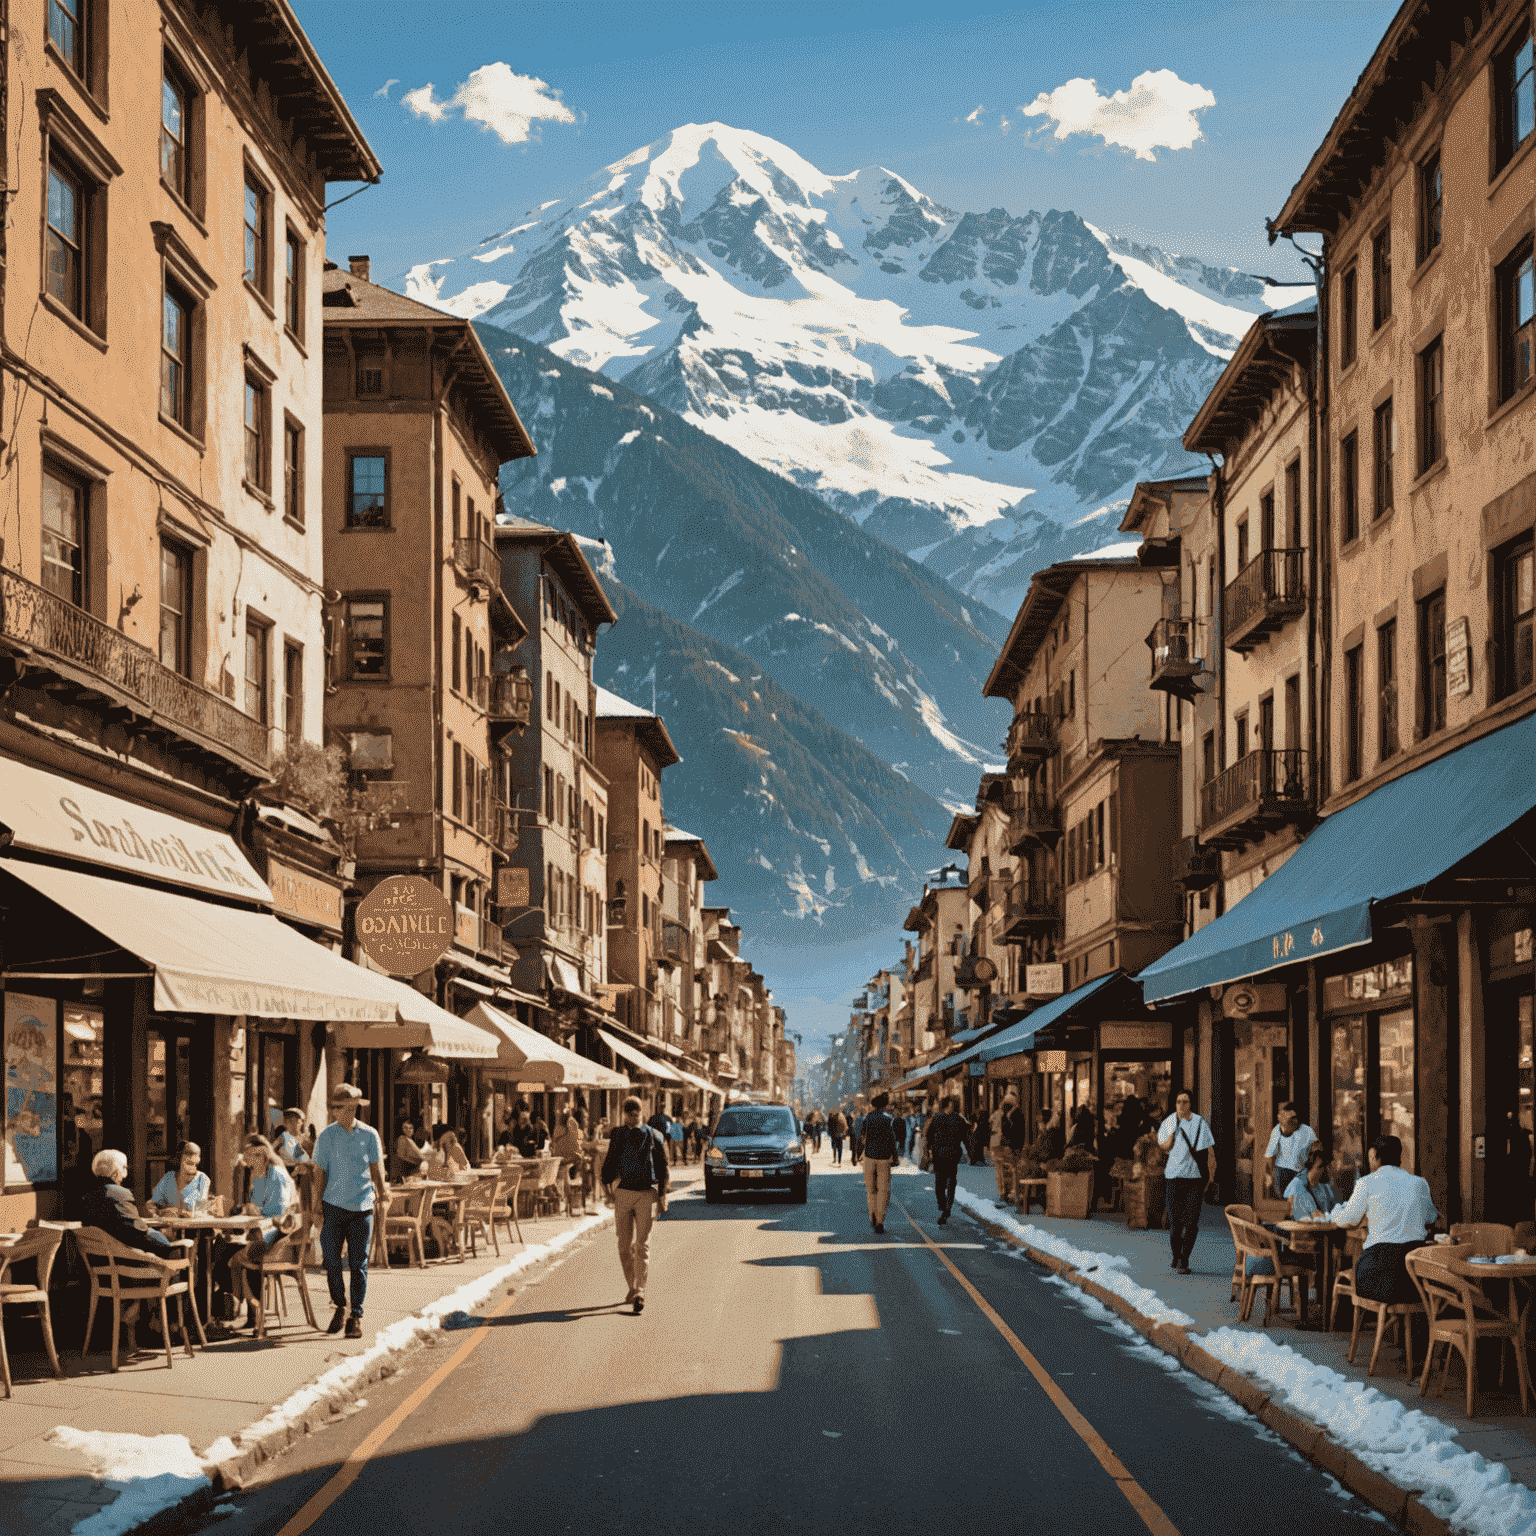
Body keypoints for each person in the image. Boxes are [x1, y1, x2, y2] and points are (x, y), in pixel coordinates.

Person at [81, 1149, 182, 1354]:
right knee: (175, 1256)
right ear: (115, 1172)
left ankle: (139, 1314)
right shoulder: (117, 1194)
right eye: (124, 1168)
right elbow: (139, 1233)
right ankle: (164, 1327)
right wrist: (167, 1239)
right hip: (125, 1269)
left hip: (100, 1268)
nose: (126, 1173)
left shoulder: (86, 1196)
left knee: (162, 1256)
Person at [311, 1083, 387, 1340]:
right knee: (331, 1260)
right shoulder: (326, 1136)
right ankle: (339, 1305)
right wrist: (316, 1207)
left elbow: (377, 1168)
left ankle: (355, 1314)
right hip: (333, 1206)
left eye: (354, 1106)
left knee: (359, 1263)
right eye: (345, 1107)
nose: (351, 1111)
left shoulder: (369, 1135)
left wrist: (383, 1192)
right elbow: (319, 1172)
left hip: (362, 1207)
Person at [1328, 1134, 1437, 1304]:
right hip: (1414, 1278)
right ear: (1399, 1156)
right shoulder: (1419, 1183)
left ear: (1375, 1157)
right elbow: (1431, 1217)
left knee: (1359, 1272)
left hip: (1378, 1274)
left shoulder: (1367, 1182)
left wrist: (1334, 1214)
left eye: (1371, 1157)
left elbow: (1348, 1220)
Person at [601, 1096, 670, 1314]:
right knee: (623, 1245)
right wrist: (606, 1191)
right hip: (623, 1193)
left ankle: (640, 1290)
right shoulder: (618, 1134)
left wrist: (663, 1196)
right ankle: (632, 1285)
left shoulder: (654, 1135)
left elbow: (663, 1168)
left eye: (636, 1112)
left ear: (642, 1112)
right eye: (629, 1112)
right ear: (624, 1113)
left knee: (642, 1244)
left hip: (646, 1194)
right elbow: (610, 1162)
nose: (633, 1115)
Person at [227, 1138, 299, 1327]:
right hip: (267, 1235)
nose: (248, 1163)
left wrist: (254, 1210)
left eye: (252, 1157)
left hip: (280, 1241)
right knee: (226, 1248)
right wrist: (249, 1208)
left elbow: (278, 1213)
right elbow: (258, 1207)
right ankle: (240, 1306)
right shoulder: (260, 1174)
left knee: (238, 1258)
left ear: (264, 1155)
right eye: (248, 1158)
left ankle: (242, 1306)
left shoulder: (276, 1174)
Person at [1157, 1092, 1215, 1275]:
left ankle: (1184, 1259)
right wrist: (1172, 1136)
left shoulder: (1200, 1123)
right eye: (1178, 1101)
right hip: (1174, 1177)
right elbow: (1164, 1147)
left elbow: (1210, 1152)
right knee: (1175, 1223)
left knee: (1191, 1222)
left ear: (1191, 1104)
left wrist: (1211, 1177)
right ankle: (1176, 1254)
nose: (1181, 1105)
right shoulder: (1168, 1122)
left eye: (1185, 1102)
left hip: (1194, 1179)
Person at [860, 1092, 901, 1233]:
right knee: (883, 1190)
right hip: (884, 1158)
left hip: (869, 1157)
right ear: (884, 1105)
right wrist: (895, 1157)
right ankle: (880, 1221)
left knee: (871, 1189)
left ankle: (872, 1213)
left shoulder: (868, 1118)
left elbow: (862, 1137)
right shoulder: (888, 1119)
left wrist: (857, 1154)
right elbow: (891, 1140)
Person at [926, 1097, 970, 1225]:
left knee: (948, 1180)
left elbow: (965, 1137)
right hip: (945, 1153)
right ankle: (945, 1206)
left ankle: (946, 1206)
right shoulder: (955, 1119)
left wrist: (969, 1153)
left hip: (946, 1153)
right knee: (943, 1181)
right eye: (950, 1105)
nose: (951, 1107)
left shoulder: (947, 1119)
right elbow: (929, 1135)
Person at [1264, 1102, 1317, 1199]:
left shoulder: (1307, 1131)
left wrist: (1313, 1169)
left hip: (1301, 1172)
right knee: (1285, 1201)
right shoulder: (1278, 1130)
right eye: (1291, 1118)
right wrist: (1270, 1175)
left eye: (1295, 1117)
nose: (1294, 1121)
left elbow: (1316, 1150)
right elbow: (1269, 1154)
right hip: (1282, 1172)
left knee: (1299, 1201)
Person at [149, 1141, 210, 1214]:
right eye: (189, 1164)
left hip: (194, 1224)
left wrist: (176, 1211)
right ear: (179, 1161)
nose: (193, 1168)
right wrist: (157, 1210)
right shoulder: (168, 1178)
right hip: (170, 1223)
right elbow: (153, 1203)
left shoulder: (202, 1179)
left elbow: (199, 1210)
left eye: (195, 1164)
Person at [1288, 1146, 1337, 1222]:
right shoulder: (1296, 1185)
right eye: (1320, 1167)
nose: (1324, 1171)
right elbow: (1293, 1212)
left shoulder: (1326, 1189)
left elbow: (1332, 1212)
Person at [996, 1092, 1025, 1203]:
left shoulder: (1010, 1115)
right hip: (1015, 1145)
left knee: (1010, 1171)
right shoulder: (1016, 1113)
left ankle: (1012, 1193)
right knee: (1011, 1171)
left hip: (1011, 1146)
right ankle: (1012, 1193)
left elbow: (1008, 1131)